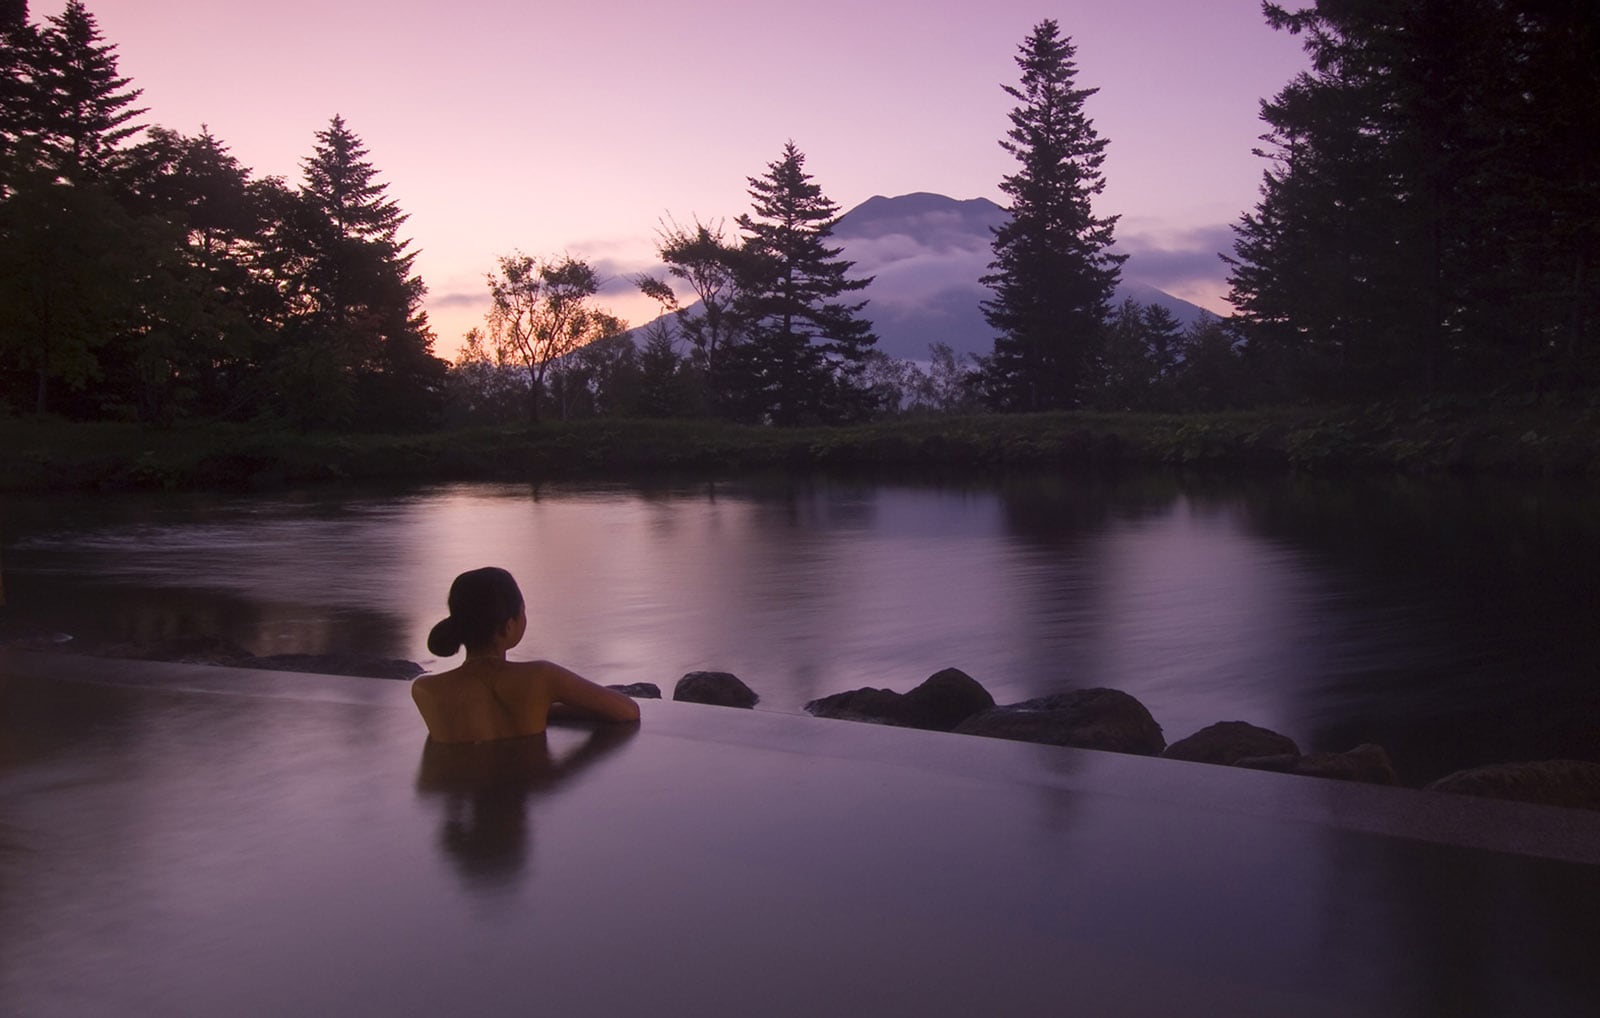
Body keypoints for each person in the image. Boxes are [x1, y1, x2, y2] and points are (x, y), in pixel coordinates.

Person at [412, 567, 640, 742]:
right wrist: (546, 707)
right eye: (523, 611)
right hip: (523, 794)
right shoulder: (540, 678)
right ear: (508, 626)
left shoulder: (426, 691)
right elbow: (627, 711)